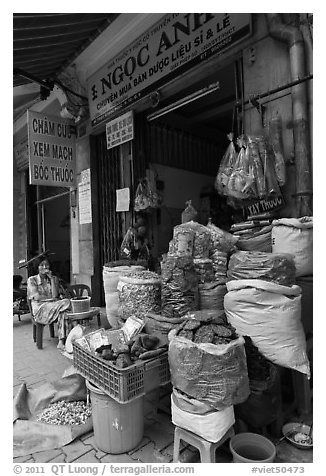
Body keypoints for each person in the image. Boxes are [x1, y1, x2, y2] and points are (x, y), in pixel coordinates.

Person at [27, 257, 71, 350]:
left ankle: (61, 342)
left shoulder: (53, 278)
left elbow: (55, 295)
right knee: (67, 302)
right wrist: (52, 299)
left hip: (53, 307)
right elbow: (37, 297)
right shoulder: (32, 280)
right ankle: (66, 339)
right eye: (41, 265)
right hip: (40, 310)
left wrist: (51, 279)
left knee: (63, 313)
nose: (45, 267)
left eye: (46, 264)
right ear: (37, 267)